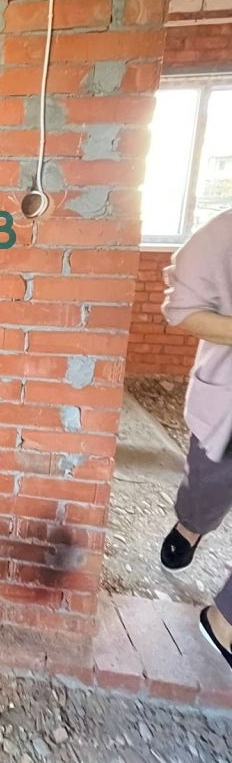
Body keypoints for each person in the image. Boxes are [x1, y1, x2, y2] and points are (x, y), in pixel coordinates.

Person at [160, 208, 232, 671]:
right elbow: (181, 309)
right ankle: (191, 525)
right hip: (228, 401)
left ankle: (224, 621)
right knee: (209, 484)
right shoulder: (226, 231)